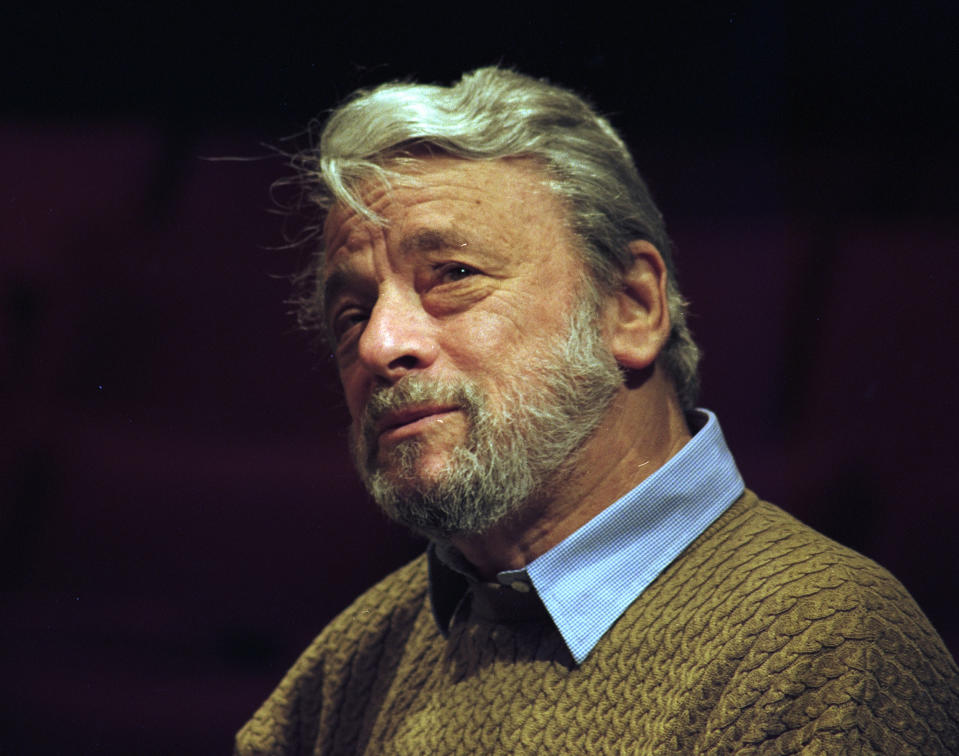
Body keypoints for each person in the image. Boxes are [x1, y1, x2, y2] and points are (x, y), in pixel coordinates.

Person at [235, 67, 959, 754]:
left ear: (631, 307)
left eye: (453, 275)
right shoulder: (350, 666)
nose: (379, 345)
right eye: (351, 314)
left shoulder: (823, 650)